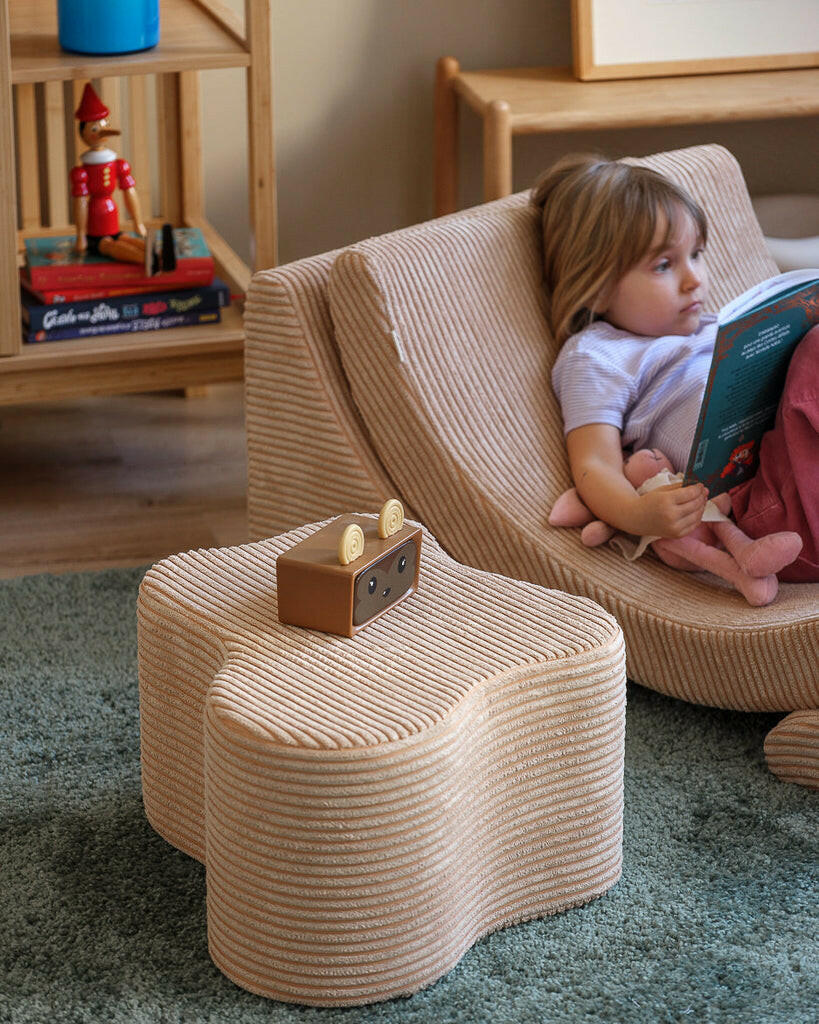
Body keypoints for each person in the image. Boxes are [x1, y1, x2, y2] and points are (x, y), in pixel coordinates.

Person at [531, 153, 817, 583]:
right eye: (664, 265)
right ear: (597, 287)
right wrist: (635, 513)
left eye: (696, 254)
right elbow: (594, 462)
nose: (695, 279)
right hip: (766, 506)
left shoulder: (711, 328)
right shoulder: (596, 355)